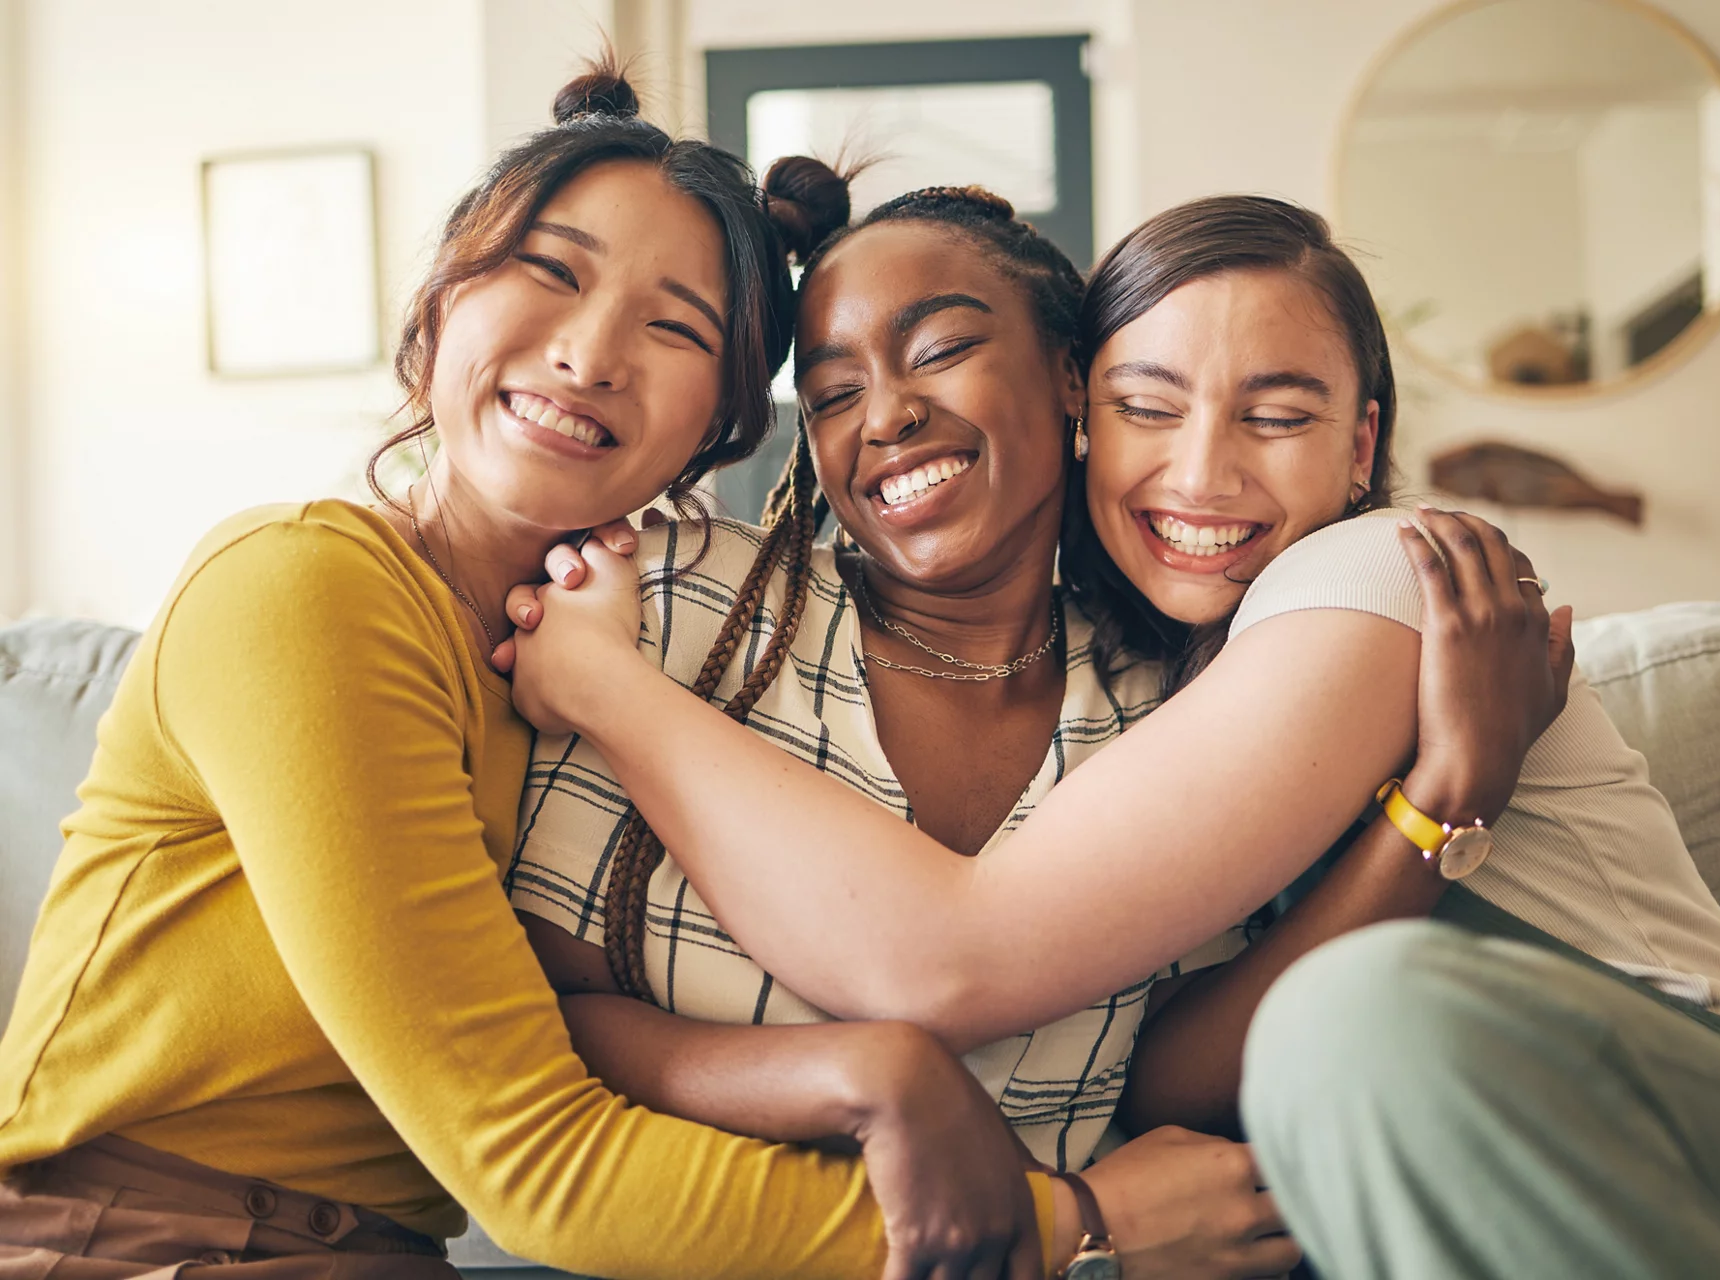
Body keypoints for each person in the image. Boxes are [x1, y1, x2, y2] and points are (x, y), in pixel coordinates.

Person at [502, 193, 1720, 1277]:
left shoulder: (1375, 578)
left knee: (1351, 1023)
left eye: (1279, 415)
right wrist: (1438, 799)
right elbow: (1176, 1068)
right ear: (1094, 409)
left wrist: (611, 691)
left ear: (1361, 446)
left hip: (1718, 1131)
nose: (1199, 472)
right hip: (1466, 1144)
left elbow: (955, 960)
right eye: (1151, 407)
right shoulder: (1171, 682)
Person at [1, 60, 1056, 1280]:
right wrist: (1083, 1229)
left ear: (715, 427)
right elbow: (536, 1158)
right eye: (549, 272)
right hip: (127, 1239)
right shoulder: (304, 587)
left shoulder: (610, 648)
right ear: (441, 299)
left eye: (675, 327)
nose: (590, 353)